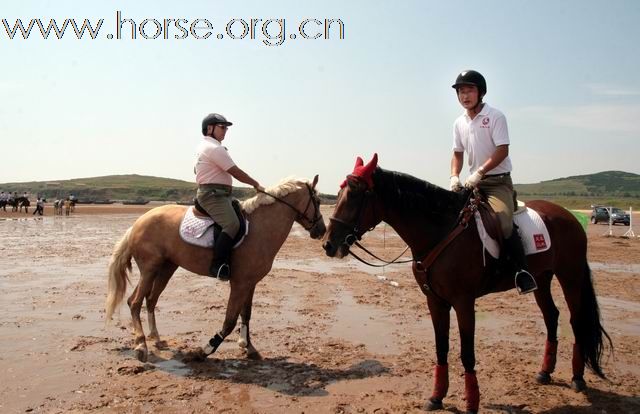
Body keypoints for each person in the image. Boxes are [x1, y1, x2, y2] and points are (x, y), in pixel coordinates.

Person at [448, 70, 537, 294]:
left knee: (503, 221)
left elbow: (502, 150)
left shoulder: (495, 116)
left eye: (469, 90)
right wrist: (454, 176)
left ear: (481, 92)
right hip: (471, 184)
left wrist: (480, 171)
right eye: (460, 91)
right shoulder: (459, 123)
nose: (464, 95)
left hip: (497, 183)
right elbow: (457, 153)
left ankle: (520, 271)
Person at [195, 113, 264, 281]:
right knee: (232, 224)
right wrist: (256, 184)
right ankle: (218, 264)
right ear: (210, 128)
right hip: (213, 196)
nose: (225, 131)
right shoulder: (214, 148)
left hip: (222, 194)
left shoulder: (207, 147)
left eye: (226, 128)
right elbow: (235, 171)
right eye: (222, 127)